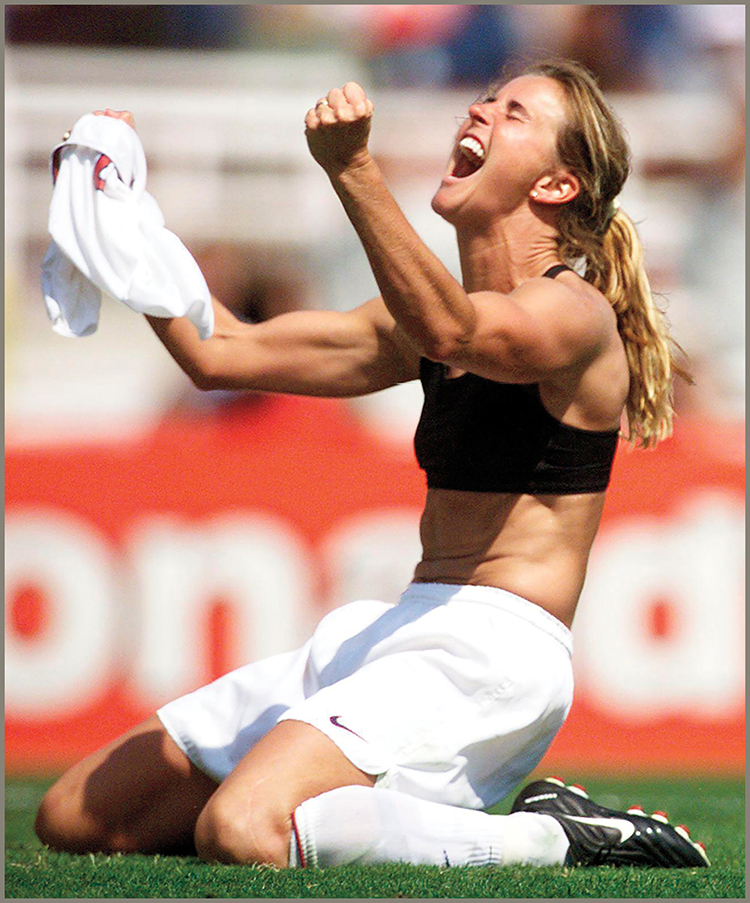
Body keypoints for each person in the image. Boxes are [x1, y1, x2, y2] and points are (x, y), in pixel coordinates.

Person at [35, 60, 708, 870]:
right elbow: (220, 352)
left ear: (558, 187)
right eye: (487, 97)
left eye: (515, 112)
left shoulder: (575, 313)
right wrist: (123, 220)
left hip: (492, 656)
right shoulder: (422, 320)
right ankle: (350, 811)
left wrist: (354, 170)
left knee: (244, 827)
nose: (482, 109)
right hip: (397, 628)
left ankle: (553, 835)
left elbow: (456, 332)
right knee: (76, 816)